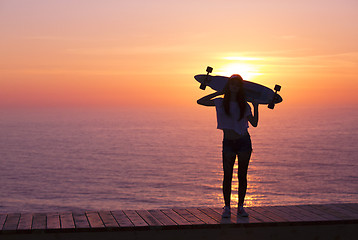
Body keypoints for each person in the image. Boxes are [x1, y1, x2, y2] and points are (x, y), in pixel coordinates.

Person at [197, 74, 259, 218]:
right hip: (228, 143)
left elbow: (254, 123)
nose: (234, 88)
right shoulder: (220, 102)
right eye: (232, 85)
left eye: (237, 85)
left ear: (240, 88)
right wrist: (219, 92)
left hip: (244, 142)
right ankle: (226, 207)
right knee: (227, 176)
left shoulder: (244, 104)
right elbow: (201, 101)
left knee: (242, 176)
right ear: (229, 86)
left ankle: (241, 207)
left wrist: (256, 106)